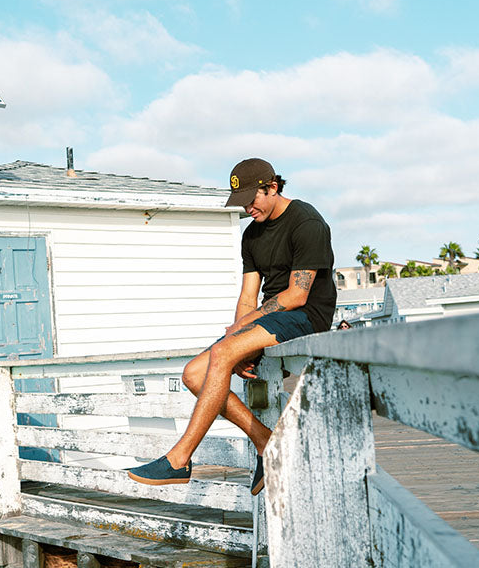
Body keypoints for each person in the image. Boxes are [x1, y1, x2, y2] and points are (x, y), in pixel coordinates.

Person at [127, 158, 337, 495]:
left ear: (273, 186)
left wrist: (238, 337)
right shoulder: (252, 235)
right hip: (271, 318)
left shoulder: (306, 222)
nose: (248, 209)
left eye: (252, 200)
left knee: (224, 351)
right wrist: (239, 338)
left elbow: (298, 295)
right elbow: (247, 297)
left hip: (308, 315)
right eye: (242, 203)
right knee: (193, 374)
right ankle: (267, 442)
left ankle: (179, 459)